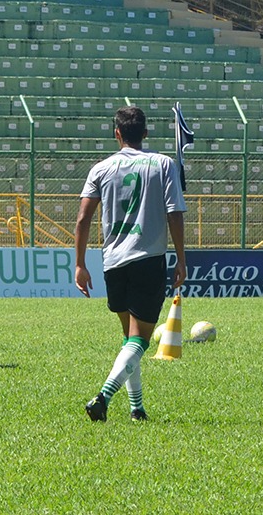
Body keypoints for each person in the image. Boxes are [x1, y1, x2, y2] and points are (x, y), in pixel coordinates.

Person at [75, 105, 187, 423]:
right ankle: (104, 396)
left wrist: (80, 264)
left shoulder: (100, 168)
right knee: (140, 340)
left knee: (130, 338)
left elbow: (83, 219)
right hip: (147, 258)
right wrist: (181, 258)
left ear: (117, 134)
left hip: (113, 262)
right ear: (146, 133)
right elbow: (174, 213)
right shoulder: (163, 164)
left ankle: (137, 408)